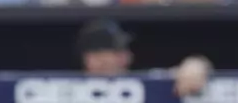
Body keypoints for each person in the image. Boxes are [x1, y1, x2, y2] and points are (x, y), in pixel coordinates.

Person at [76, 19, 213, 96]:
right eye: (117, 52)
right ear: (91, 59)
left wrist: (195, 65)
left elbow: (183, 72)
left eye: (125, 50)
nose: (127, 56)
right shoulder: (69, 90)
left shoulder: (142, 81)